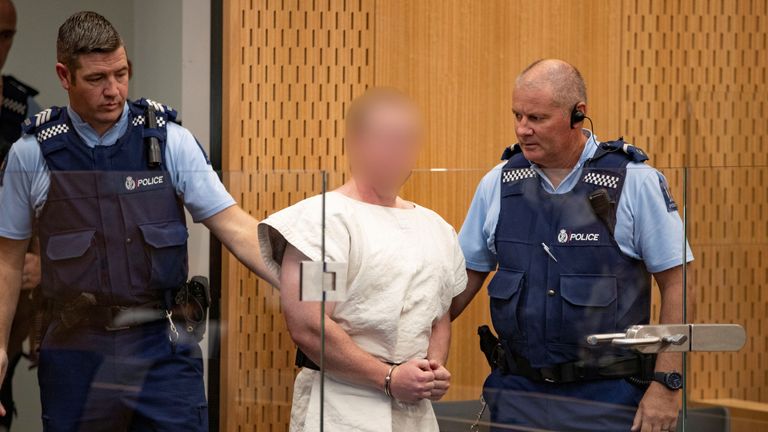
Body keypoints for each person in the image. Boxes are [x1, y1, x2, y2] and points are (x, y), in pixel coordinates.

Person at [0, 11, 277, 431]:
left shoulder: (170, 141)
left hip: (161, 344)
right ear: (65, 75)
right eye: (97, 79)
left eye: (122, 73)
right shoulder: (32, 153)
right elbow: (8, 261)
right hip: (78, 347)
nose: (114, 91)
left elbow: (236, 227)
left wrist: (302, 277)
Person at [451, 59, 693, 432]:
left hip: (608, 397)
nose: (522, 129)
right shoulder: (497, 183)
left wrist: (667, 383)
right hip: (518, 396)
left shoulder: (635, 182)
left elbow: (679, 284)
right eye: (517, 115)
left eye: (536, 117)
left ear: (578, 115)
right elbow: (463, 280)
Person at [258, 88, 467, 432]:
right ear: (354, 142)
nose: (396, 152)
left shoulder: (436, 228)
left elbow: (439, 314)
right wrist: (387, 377)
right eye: (385, 140)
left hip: (414, 409)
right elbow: (311, 325)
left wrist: (431, 370)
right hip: (341, 406)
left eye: (405, 140)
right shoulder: (325, 223)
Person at [0, 1, 41, 430]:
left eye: (5, 35)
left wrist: (42, 266)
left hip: (8, 300)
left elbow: (45, 212)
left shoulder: (22, 108)